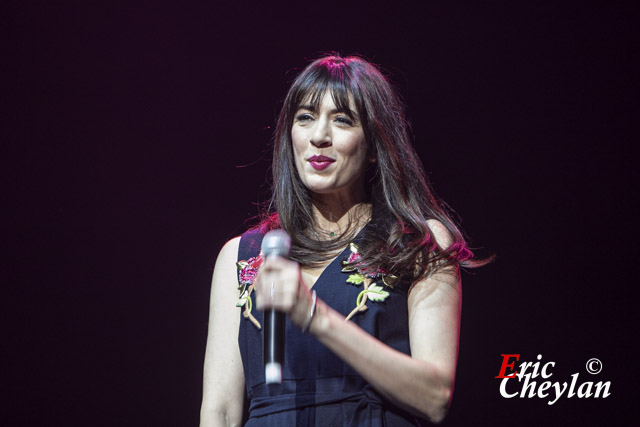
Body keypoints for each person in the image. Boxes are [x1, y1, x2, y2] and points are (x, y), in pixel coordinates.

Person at [200, 54, 486, 426]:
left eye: (342, 120)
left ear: (373, 146)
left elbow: (435, 397)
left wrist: (316, 317)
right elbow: (220, 411)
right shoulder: (242, 256)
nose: (319, 135)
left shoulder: (416, 243)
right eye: (305, 117)